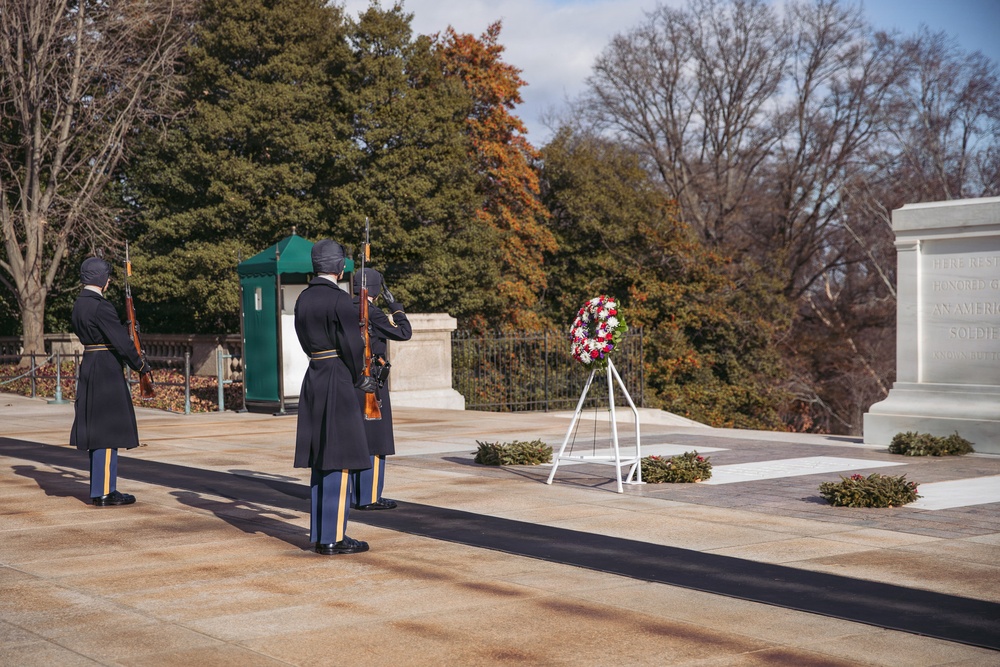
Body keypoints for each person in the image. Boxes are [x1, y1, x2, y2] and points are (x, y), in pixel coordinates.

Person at [293, 239, 378, 555]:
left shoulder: (303, 299)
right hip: (338, 380)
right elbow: (354, 347)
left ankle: (320, 533)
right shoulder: (340, 301)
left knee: (322, 460)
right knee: (340, 460)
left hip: (315, 373)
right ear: (340, 268)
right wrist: (361, 378)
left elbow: (304, 341)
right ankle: (334, 538)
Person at [70, 256, 152, 506]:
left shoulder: (79, 304)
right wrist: (141, 366)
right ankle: (104, 491)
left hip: (91, 364)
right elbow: (121, 341)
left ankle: (102, 487)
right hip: (106, 368)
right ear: (103, 280)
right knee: (107, 432)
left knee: (99, 432)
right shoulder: (100, 306)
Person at [351, 268, 412, 510]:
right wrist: (396, 307)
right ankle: (369, 497)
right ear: (376, 291)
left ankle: (356, 494)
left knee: (357, 437)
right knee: (376, 439)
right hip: (372, 380)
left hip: (351, 380)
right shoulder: (373, 312)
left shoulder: (344, 307)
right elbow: (404, 333)